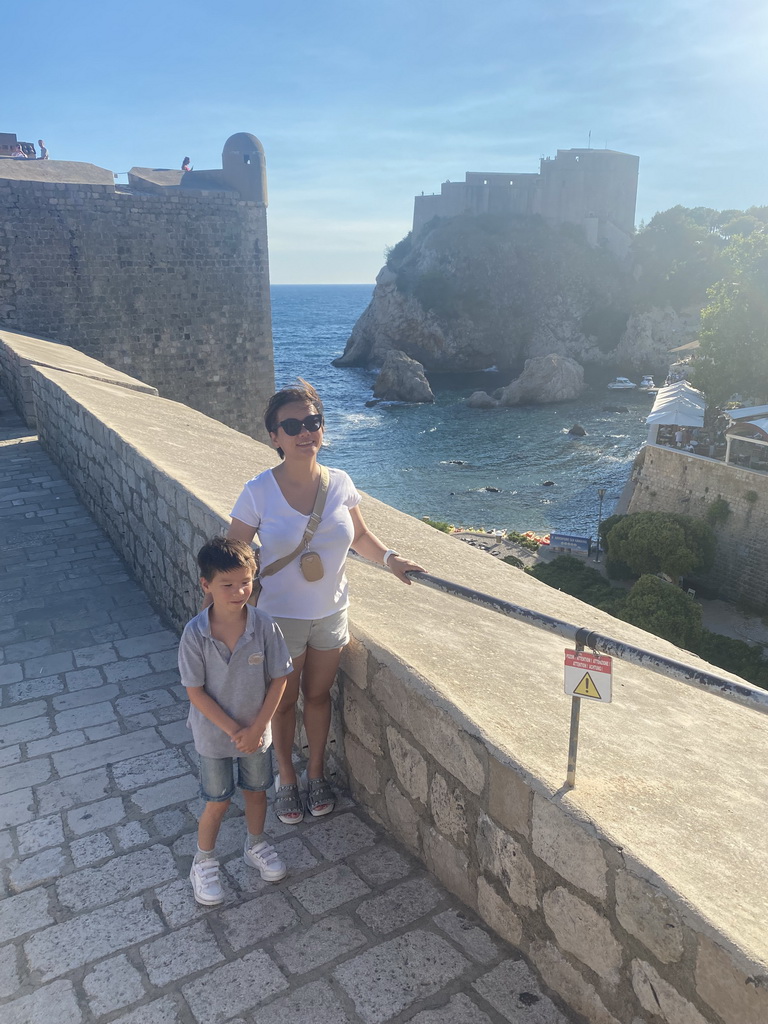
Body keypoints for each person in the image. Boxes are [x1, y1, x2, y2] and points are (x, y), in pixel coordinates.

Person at [227, 380, 425, 824]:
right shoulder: (259, 490)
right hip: (279, 618)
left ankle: (315, 775)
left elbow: (359, 537)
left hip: (331, 613)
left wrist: (392, 560)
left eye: (312, 422)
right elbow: (232, 554)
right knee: (283, 702)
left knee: (318, 697)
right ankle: (286, 779)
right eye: (292, 425)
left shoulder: (340, 483)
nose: (305, 432)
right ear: (274, 437)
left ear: (322, 428)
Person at [179, 537, 293, 905]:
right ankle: (204, 861)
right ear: (206, 585)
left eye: (245, 582)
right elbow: (195, 692)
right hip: (214, 736)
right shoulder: (195, 634)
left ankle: (256, 845)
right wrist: (235, 731)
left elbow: (280, 677)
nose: (238, 591)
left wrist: (258, 728)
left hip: (256, 733)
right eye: (226, 584)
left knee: (257, 791)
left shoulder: (263, 625)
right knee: (217, 800)